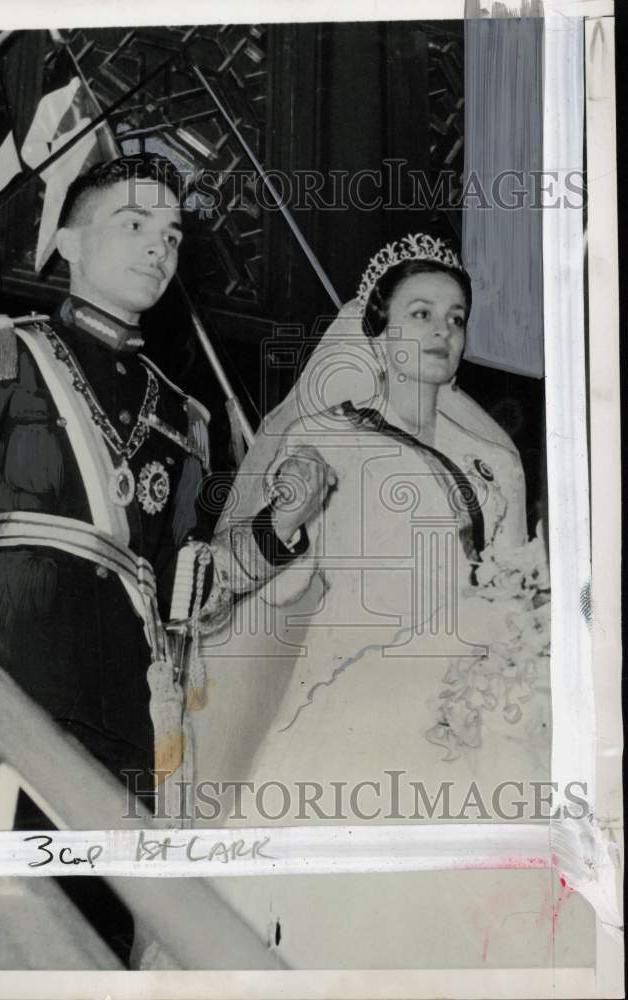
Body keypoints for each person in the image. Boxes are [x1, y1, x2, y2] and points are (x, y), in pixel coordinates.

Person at [0, 153, 329, 812]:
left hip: (127, 711)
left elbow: (185, 591)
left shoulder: (183, 418)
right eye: (135, 224)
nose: (159, 248)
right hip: (4, 686)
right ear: (69, 243)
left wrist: (277, 525)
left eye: (171, 236)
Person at [182, 234, 569, 969]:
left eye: (455, 318)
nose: (441, 331)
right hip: (357, 694)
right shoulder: (323, 436)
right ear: (376, 329)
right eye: (420, 313)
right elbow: (230, 573)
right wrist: (285, 520)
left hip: (472, 708)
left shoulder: (494, 460)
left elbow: (515, 585)